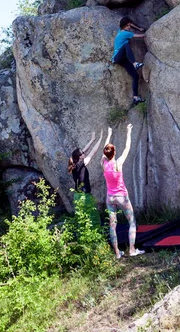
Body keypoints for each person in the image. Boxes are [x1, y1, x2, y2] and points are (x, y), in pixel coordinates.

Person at [101, 124, 145, 259]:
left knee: (112, 225)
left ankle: (117, 253)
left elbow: (103, 152)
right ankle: (132, 250)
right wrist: (128, 132)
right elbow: (127, 148)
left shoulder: (103, 163)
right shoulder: (117, 163)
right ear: (114, 153)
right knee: (131, 221)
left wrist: (108, 135)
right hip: (122, 197)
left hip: (110, 197)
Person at [68, 131, 103, 228]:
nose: (84, 153)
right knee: (93, 216)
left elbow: (83, 151)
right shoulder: (82, 164)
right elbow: (93, 152)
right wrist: (100, 139)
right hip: (84, 195)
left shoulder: (74, 162)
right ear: (80, 157)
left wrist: (92, 139)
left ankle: (82, 238)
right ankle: (96, 237)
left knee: (81, 218)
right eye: (82, 153)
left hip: (77, 195)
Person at [112, 16, 145, 105]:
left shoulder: (120, 31)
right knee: (126, 45)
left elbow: (130, 24)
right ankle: (135, 63)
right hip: (118, 57)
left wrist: (138, 28)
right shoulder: (125, 34)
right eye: (128, 26)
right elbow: (141, 36)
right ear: (125, 26)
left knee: (135, 76)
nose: (129, 27)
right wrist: (146, 33)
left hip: (121, 59)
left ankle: (135, 97)